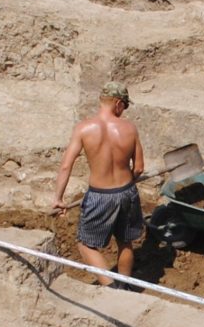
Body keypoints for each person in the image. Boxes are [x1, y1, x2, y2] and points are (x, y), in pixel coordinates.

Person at [53, 81, 147, 284]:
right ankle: (123, 286)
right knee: (125, 242)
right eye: (125, 106)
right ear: (118, 104)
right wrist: (128, 182)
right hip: (127, 192)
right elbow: (139, 168)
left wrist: (58, 198)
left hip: (99, 196)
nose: (124, 111)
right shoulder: (130, 129)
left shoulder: (84, 128)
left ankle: (110, 287)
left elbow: (65, 166)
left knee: (85, 244)